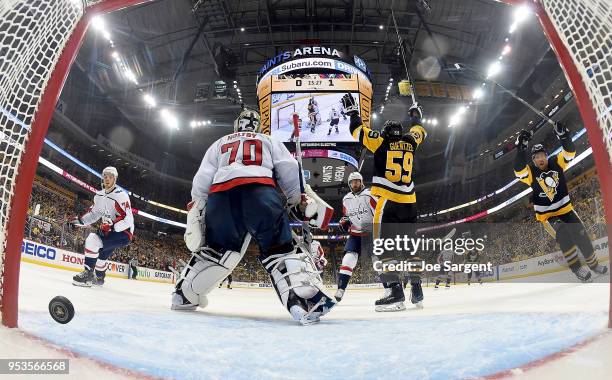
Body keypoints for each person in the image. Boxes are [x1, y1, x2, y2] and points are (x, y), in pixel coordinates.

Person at [172, 108, 336, 325]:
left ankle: (184, 295)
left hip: (221, 198)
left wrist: (197, 210)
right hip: (260, 193)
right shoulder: (267, 139)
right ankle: (304, 301)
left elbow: (201, 179)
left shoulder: (219, 143)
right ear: (257, 126)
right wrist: (297, 200)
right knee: (280, 249)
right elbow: (289, 169)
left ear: (236, 124)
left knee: (216, 251)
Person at [342, 93, 427, 311]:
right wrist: (415, 114)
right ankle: (417, 290)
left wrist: (353, 112)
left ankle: (395, 293)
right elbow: (419, 129)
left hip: (389, 201)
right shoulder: (411, 141)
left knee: (383, 247)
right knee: (409, 247)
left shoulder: (381, 141)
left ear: (386, 133)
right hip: (410, 203)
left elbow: (357, 130)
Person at [514, 124, 607, 282]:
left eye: (542, 155)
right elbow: (518, 170)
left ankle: (593, 264)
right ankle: (577, 269)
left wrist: (563, 136)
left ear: (546, 155)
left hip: (566, 210)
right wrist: (521, 148)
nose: (539, 158)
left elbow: (570, 152)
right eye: (536, 157)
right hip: (548, 216)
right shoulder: (531, 173)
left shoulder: (556, 162)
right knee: (564, 234)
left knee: (582, 235)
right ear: (533, 161)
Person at [69, 167, 134, 287]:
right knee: (100, 258)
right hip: (108, 231)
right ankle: (99, 278)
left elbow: (128, 219)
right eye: (105, 176)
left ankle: (88, 275)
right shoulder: (99, 195)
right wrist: (79, 221)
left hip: (123, 233)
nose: (107, 178)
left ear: (115, 178)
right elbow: (94, 214)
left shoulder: (121, 196)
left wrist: (112, 226)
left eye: (110, 176)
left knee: (92, 240)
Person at [335, 172, 375, 302]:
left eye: (357, 181)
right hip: (355, 234)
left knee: (377, 261)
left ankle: (389, 289)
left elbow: (379, 213)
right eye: (352, 182)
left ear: (361, 182)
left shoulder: (370, 195)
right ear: (349, 184)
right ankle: (340, 290)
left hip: (371, 233)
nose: (355, 184)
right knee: (347, 260)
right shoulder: (346, 199)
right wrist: (345, 222)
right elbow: (347, 216)